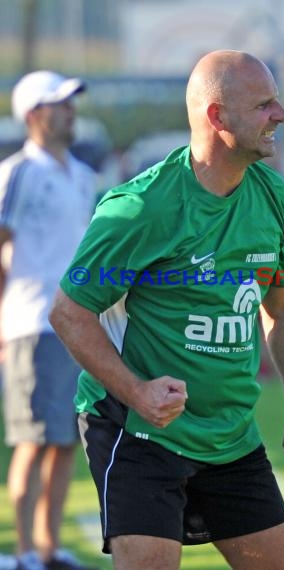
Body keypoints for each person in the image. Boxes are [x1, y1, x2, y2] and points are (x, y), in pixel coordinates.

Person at [49, 50, 284, 570]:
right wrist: (138, 392)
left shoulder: (272, 196)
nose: (281, 115)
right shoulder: (141, 208)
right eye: (264, 104)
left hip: (229, 433)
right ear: (218, 117)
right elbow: (69, 312)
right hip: (138, 431)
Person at [0, 71, 97, 570]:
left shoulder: (83, 176)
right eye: (60, 103)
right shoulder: (17, 172)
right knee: (32, 441)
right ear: (34, 114)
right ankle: (19, 555)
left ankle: (47, 548)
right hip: (31, 323)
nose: (70, 110)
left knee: (63, 441)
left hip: (75, 328)